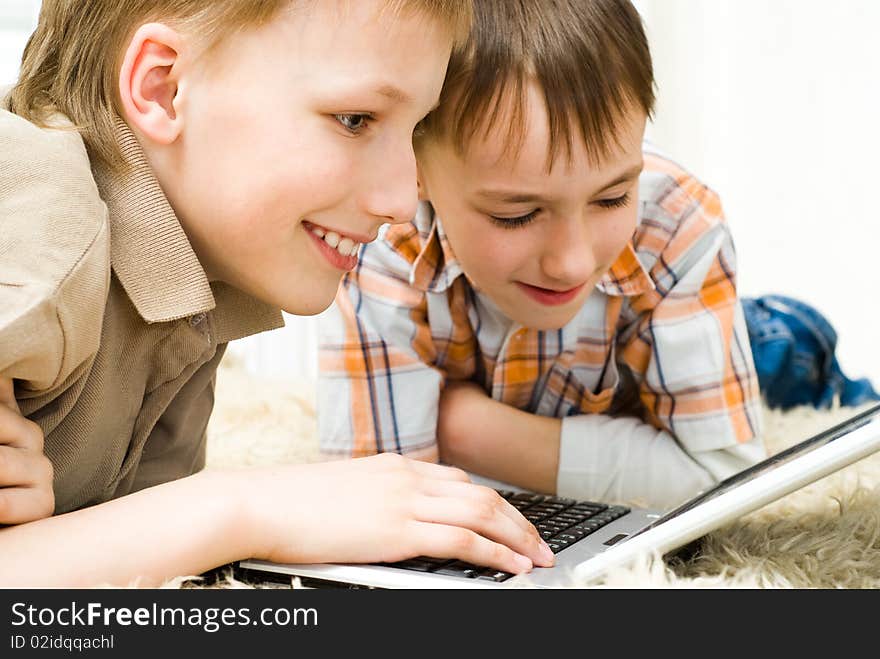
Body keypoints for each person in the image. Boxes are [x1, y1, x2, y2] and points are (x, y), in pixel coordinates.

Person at [0, 0, 554, 587]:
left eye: (416, 130)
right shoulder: (40, 220)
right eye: (355, 119)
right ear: (163, 89)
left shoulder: (191, 271)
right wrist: (248, 506)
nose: (400, 199)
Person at [317, 0, 768, 511]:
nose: (571, 264)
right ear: (413, 169)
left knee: (788, 350)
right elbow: (383, 501)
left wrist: (463, 430)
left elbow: (728, 482)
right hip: (612, 390)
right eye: (516, 215)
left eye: (612, 197)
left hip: (709, 325)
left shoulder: (679, 228)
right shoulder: (377, 245)